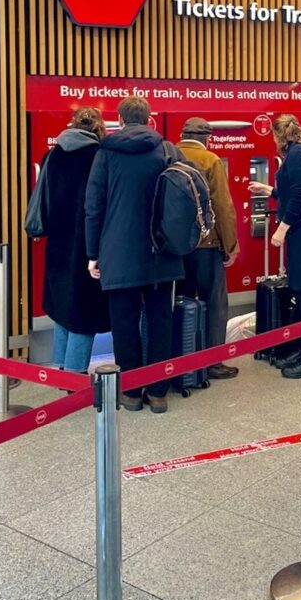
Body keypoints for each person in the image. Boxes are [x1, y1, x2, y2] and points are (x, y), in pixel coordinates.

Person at [85, 96, 183, 412]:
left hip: (118, 252)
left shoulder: (106, 153)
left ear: (120, 119)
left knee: (124, 322)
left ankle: (130, 393)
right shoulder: (167, 149)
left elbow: (94, 206)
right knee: (159, 321)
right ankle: (157, 392)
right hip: (161, 251)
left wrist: (92, 253)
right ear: (149, 118)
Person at [249, 114, 301, 379]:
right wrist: (268, 190)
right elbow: (295, 190)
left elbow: (300, 195)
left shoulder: (297, 155)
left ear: (279, 136)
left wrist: (281, 228)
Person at [41, 107, 109, 372]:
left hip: (58, 241)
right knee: (84, 312)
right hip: (85, 244)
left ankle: (60, 364)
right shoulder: (98, 157)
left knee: (63, 306)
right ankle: (74, 374)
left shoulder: (53, 155)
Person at [177, 116, 240, 380]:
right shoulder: (210, 160)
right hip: (206, 244)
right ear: (207, 138)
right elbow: (223, 207)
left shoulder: (169, 156)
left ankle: (180, 359)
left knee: (180, 301)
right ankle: (213, 361)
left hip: (176, 246)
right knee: (214, 302)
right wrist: (231, 245)